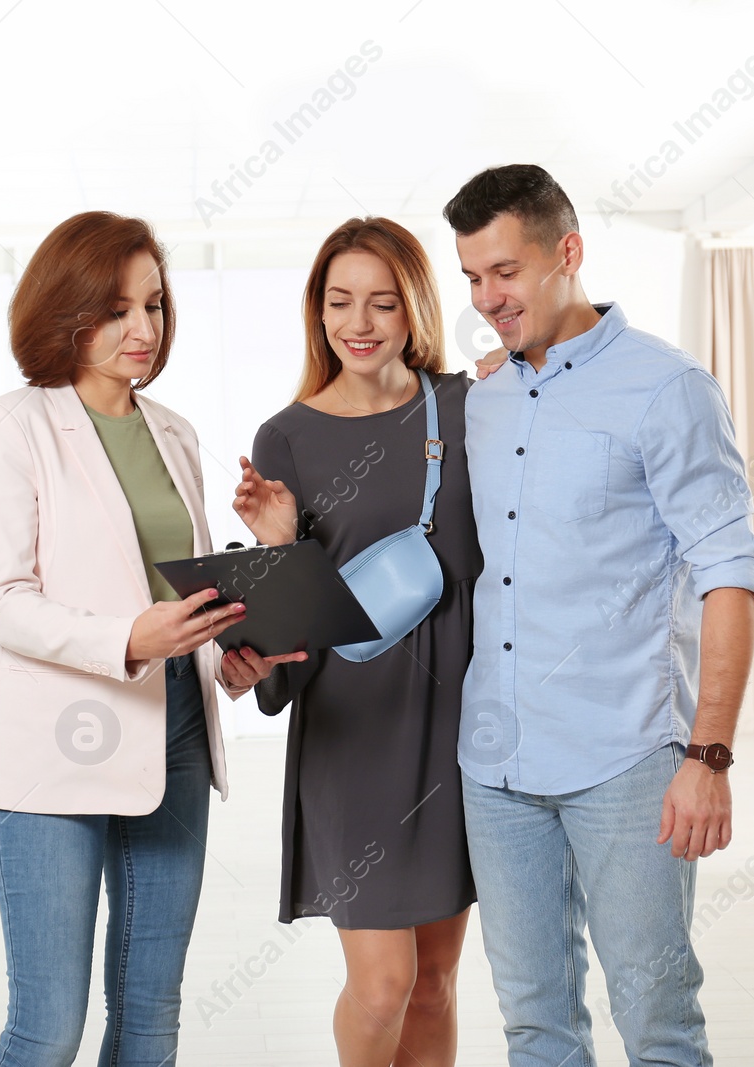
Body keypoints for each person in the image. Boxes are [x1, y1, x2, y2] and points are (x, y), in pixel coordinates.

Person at [0, 209, 305, 1067]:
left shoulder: (176, 433)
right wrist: (129, 637)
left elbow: (172, 592)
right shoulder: (9, 425)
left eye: (153, 305)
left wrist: (226, 644)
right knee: (48, 1026)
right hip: (56, 746)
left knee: (151, 1012)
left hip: (176, 733)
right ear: (65, 310)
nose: (142, 329)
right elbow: (2, 601)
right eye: (116, 309)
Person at [444, 163, 754, 1066]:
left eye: (503, 271)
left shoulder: (667, 388)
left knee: (658, 1021)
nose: (486, 297)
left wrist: (709, 755)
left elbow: (731, 575)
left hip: (626, 758)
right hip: (496, 765)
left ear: (568, 253)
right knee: (534, 1024)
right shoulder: (486, 396)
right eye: (471, 277)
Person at [234, 216, 481, 1067]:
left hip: (460, 724)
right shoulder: (287, 437)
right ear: (318, 310)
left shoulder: (465, 406)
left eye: (382, 301)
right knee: (381, 984)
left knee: (438, 979)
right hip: (356, 733)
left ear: (415, 307)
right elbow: (288, 627)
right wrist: (276, 546)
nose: (360, 322)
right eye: (340, 301)